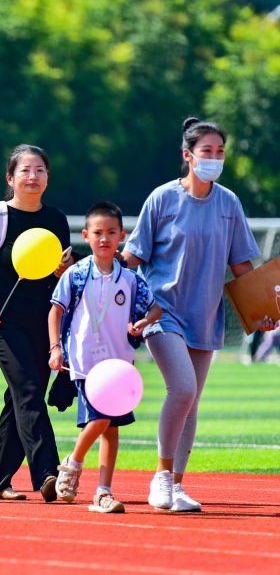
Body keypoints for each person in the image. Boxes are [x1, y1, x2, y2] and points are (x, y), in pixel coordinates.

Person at [121, 117, 275, 512]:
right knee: (183, 390)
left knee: (192, 402)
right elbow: (133, 257)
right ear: (188, 156)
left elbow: (243, 268)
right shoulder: (162, 199)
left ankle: (176, 485)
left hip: (205, 316)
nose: (214, 158)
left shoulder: (229, 203)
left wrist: (266, 312)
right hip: (162, 312)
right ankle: (160, 478)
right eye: (207, 151)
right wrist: (94, 268)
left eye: (220, 151)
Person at [0, 144, 73, 502]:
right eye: (25, 170)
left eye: (40, 170)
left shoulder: (56, 220)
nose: (33, 176)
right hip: (2, 321)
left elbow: (62, 277)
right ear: (10, 178)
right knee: (27, 391)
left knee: (20, 399)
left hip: (44, 323)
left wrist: (63, 271)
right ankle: (49, 473)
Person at [47, 201, 163, 513]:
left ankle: (103, 491)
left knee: (111, 429)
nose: (104, 238)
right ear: (86, 235)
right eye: (98, 232)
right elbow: (56, 309)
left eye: (111, 232)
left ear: (122, 236)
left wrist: (144, 321)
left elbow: (156, 307)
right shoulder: (75, 274)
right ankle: (73, 464)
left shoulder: (131, 279)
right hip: (86, 364)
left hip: (118, 366)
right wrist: (55, 348)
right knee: (100, 419)